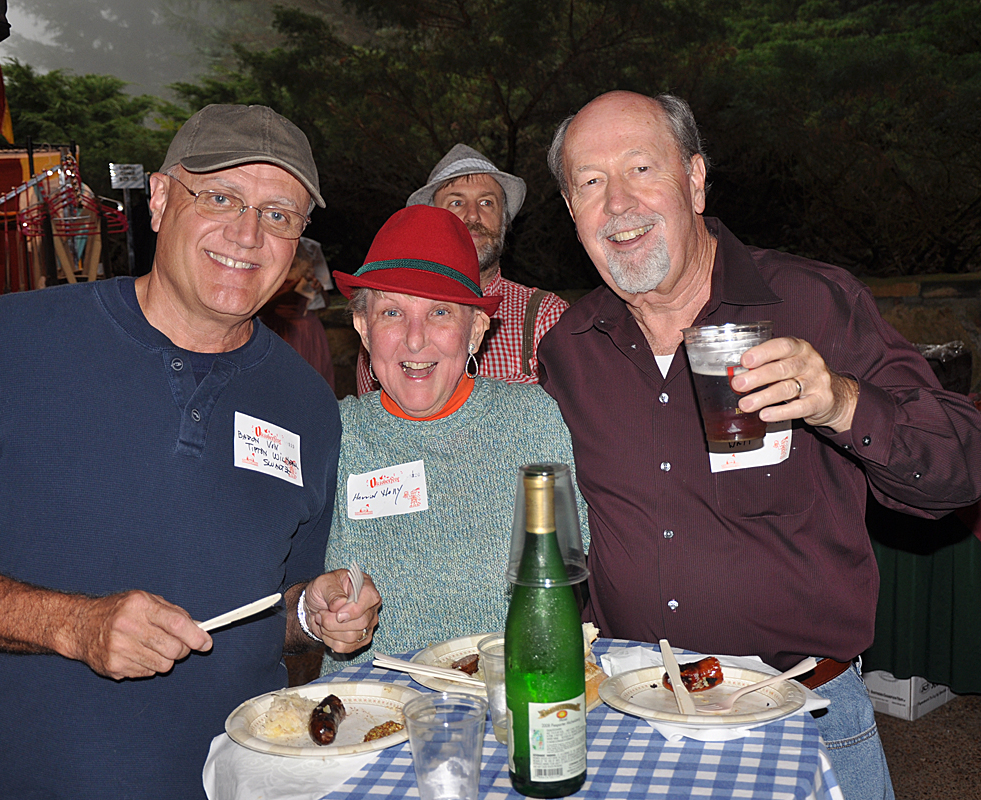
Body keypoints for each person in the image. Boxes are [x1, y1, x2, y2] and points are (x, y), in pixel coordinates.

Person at [0, 104, 380, 800]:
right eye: (222, 197)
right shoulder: (13, 344)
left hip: (238, 783)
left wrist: (312, 613)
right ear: (162, 199)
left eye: (279, 215)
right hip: (28, 783)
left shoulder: (306, 401)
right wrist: (73, 625)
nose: (247, 233)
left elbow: (277, 606)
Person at [540, 91, 981, 800]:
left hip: (805, 715)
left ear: (694, 179)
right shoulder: (569, 352)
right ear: (571, 213)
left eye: (641, 169)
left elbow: (963, 464)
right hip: (633, 716)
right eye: (590, 182)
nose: (617, 203)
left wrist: (841, 401)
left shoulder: (812, 303)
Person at [323, 204, 586, 673]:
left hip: (507, 700)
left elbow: (575, 574)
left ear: (477, 330)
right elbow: (286, 591)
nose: (416, 340)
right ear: (363, 329)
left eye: (440, 312)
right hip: (371, 710)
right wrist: (321, 616)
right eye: (391, 313)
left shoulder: (536, 425)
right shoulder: (332, 437)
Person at [356, 144, 568, 394]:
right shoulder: (388, 317)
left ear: (505, 221)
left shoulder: (546, 317)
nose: (473, 216)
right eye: (456, 202)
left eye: (487, 202)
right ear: (430, 222)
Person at [258, 237, 337, 391]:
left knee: (307, 385)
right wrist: (284, 295)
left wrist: (318, 289)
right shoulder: (265, 249)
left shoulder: (309, 252)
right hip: (275, 329)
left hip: (305, 330)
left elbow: (324, 304)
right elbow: (257, 309)